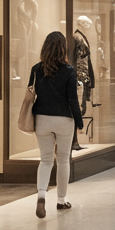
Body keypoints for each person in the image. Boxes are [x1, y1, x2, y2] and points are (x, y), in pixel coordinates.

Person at [29, 32, 82, 218]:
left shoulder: (36, 69)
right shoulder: (69, 71)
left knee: (45, 160)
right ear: (63, 49)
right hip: (63, 120)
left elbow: (31, 93)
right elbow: (72, 99)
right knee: (62, 160)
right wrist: (79, 120)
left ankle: (41, 196)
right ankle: (61, 200)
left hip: (42, 119)